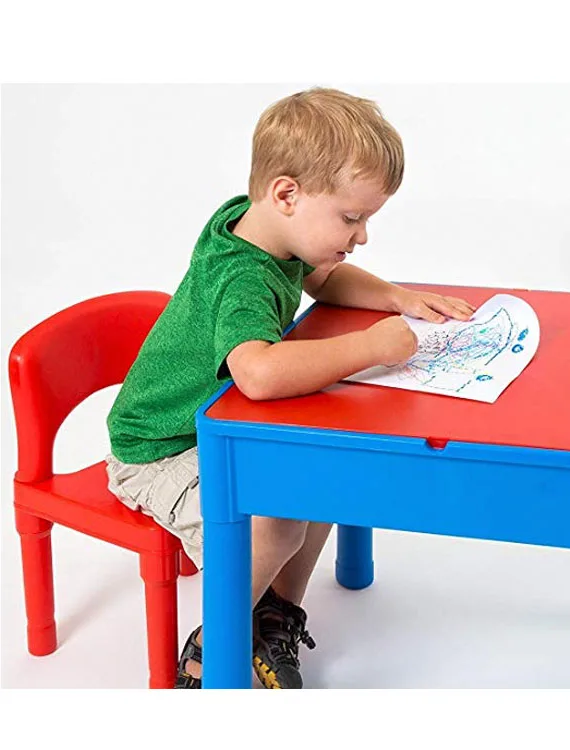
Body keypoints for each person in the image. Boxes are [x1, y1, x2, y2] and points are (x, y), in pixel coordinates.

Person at [105, 87, 476, 689]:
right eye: (351, 218)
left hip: (219, 424)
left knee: (321, 473)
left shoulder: (266, 225)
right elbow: (258, 372)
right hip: (160, 450)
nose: (361, 236)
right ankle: (217, 640)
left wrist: (396, 298)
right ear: (286, 194)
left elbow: (324, 277)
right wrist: (368, 347)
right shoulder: (242, 275)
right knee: (278, 521)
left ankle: (277, 612)